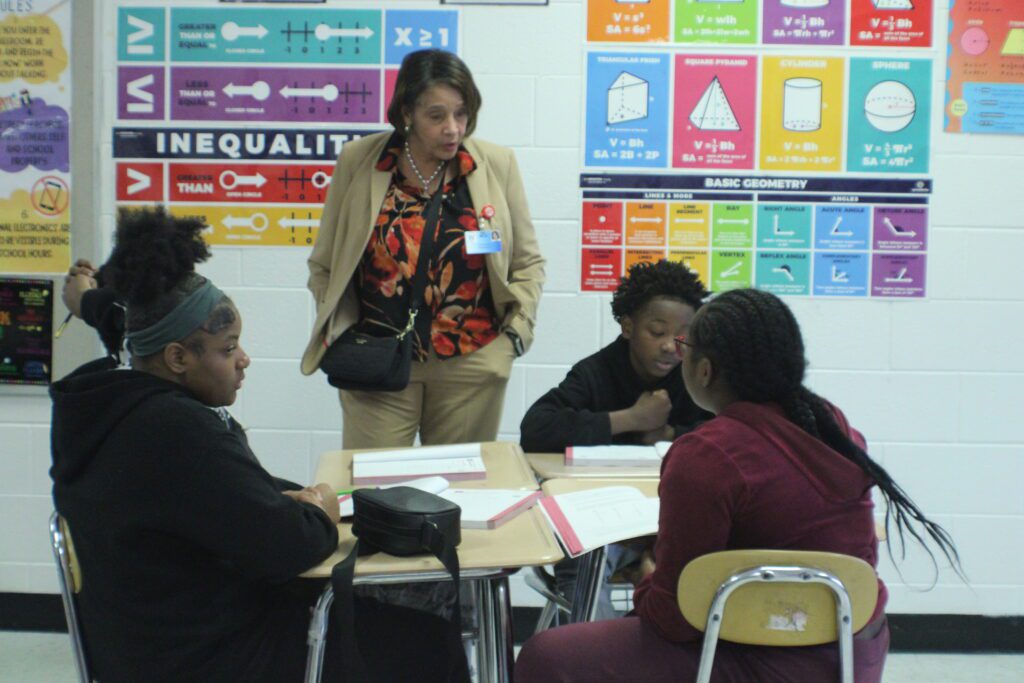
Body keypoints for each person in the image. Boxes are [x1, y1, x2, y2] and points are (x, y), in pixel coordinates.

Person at [50, 207, 463, 682]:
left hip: (142, 649)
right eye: (228, 349)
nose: (244, 359)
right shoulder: (176, 431)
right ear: (178, 358)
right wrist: (319, 508)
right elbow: (294, 545)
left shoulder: (107, 407)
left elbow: (224, 501)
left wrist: (273, 503)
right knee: (426, 633)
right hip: (214, 659)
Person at [515, 288, 962, 682]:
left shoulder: (706, 453)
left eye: (684, 344)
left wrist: (648, 577)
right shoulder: (835, 425)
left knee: (545, 656)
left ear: (704, 370)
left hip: (759, 657)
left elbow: (674, 619)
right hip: (850, 652)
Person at [301, 48, 544, 449]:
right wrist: (341, 329)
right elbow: (325, 261)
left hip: (472, 361)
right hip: (377, 358)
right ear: (407, 113)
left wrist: (515, 337)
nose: (453, 128)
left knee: (458, 494)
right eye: (437, 116)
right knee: (374, 490)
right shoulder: (360, 161)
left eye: (461, 114)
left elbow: (527, 262)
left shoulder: (496, 164)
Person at [520, 259, 710, 620]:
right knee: (582, 572)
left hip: (672, 521)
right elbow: (536, 428)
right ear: (627, 326)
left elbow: (727, 432)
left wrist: (670, 434)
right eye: (657, 332)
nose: (672, 346)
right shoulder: (597, 371)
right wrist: (628, 420)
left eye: (683, 336)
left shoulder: (697, 376)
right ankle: (595, 657)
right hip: (600, 524)